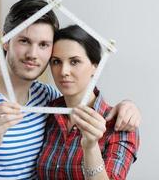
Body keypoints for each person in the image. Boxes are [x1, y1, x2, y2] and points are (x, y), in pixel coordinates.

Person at [0, 0, 141, 180]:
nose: (33, 54)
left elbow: (82, 99)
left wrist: (127, 105)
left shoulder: (47, 98)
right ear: (5, 42)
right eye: (24, 41)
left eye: (43, 45)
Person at [36, 25, 139, 180]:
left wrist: (90, 148)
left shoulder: (120, 125)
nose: (63, 71)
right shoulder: (46, 112)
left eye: (74, 61)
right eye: (56, 61)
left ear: (95, 67)